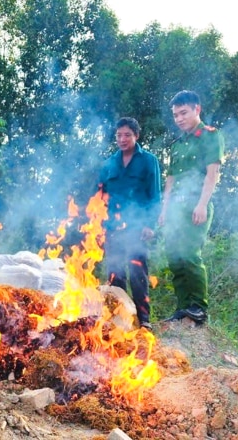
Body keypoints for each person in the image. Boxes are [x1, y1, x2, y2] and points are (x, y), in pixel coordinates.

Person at [158, 90, 225, 324]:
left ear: (197, 109)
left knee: (189, 254)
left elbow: (212, 173)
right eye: (175, 115)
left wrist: (202, 204)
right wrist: (164, 210)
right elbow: (171, 180)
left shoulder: (210, 136)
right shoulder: (177, 145)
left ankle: (198, 306)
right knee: (174, 257)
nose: (179, 119)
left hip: (196, 206)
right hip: (175, 209)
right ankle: (183, 306)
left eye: (183, 113)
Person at [98, 117, 161, 331]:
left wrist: (150, 224)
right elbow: (99, 197)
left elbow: (155, 195)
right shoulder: (109, 164)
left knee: (137, 273)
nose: (122, 139)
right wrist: (98, 226)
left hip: (137, 226)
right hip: (112, 227)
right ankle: (120, 319)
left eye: (127, 135)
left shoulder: (148, 160)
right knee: (115, 274)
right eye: (119, 135)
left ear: (136, 136)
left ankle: (144, 320)